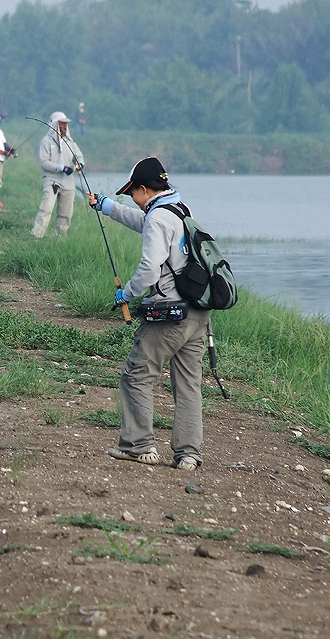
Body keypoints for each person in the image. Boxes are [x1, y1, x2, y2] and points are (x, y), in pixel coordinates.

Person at [88, 157, 209, 471]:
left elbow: (149, 268)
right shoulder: (179, 210)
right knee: (188, 384)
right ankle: (188, 455)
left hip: (169, 314)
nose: (132, 200)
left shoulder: (157, 218)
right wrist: (108, 207)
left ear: (144, 189)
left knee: (136, 375)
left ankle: (138, 445)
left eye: (132, 194)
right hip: (198, 315)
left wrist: (126, 293)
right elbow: (143, 221)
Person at [31, 111, 84, 238]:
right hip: (52, 181)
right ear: (54, 125)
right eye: (61, 125)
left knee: (66, 213)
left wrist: (80, 164)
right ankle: (37, 235)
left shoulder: (70, 141)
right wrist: (61, 168)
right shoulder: (46, 141)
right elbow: (44, 163)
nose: (64, 128)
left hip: (68, 183)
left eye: (66, 125)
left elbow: (79, 155)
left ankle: (60, 237)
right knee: (46, 208)